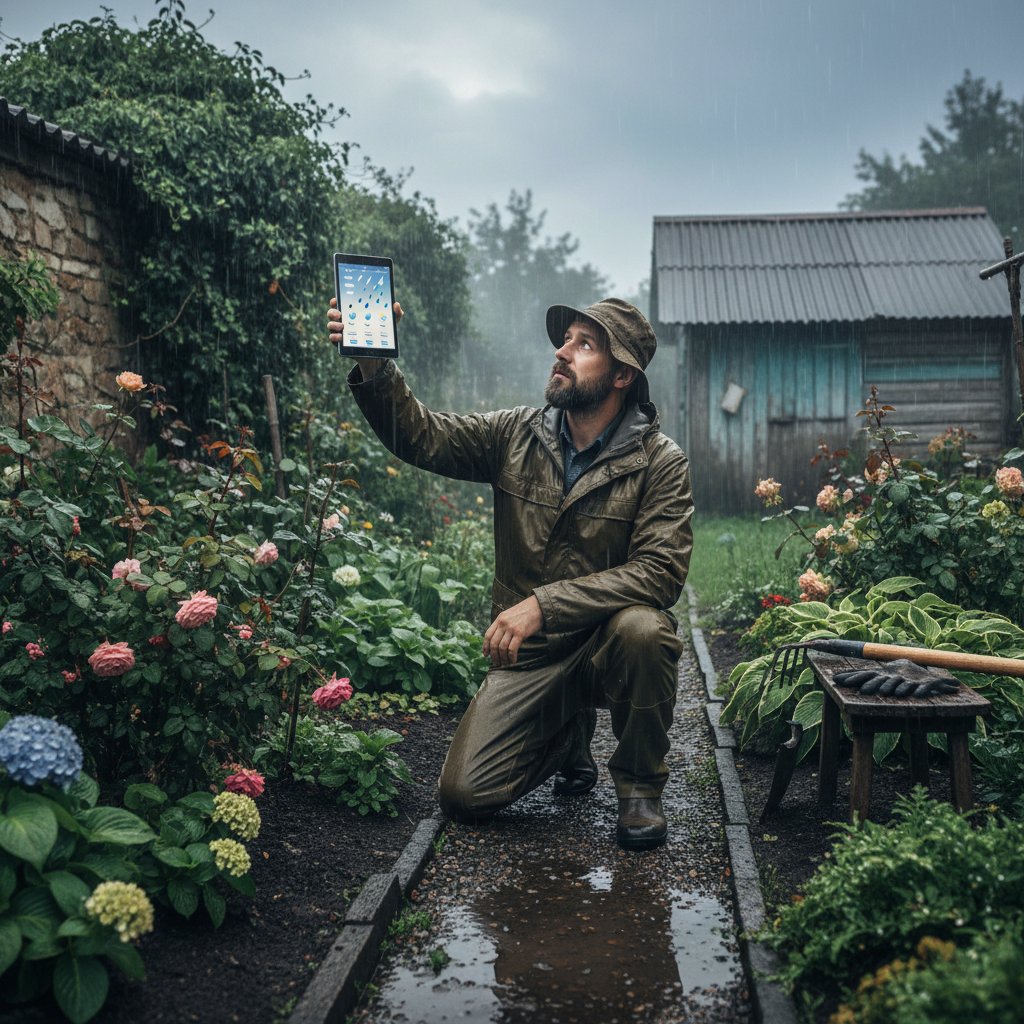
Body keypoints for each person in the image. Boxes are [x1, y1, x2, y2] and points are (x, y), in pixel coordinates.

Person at [327, 297, 693, 850]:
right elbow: (424, 437)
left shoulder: (661, 462)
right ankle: (567, 729)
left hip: (606, 648)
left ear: (623, 376)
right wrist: (377, 368)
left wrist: (545, 604)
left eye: (584, 345)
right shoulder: (516, 434)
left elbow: (660, 573)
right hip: (532, 656)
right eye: (565, 339)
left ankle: (639, 786)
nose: (562, 352)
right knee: (464, 796)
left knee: (645, 630)